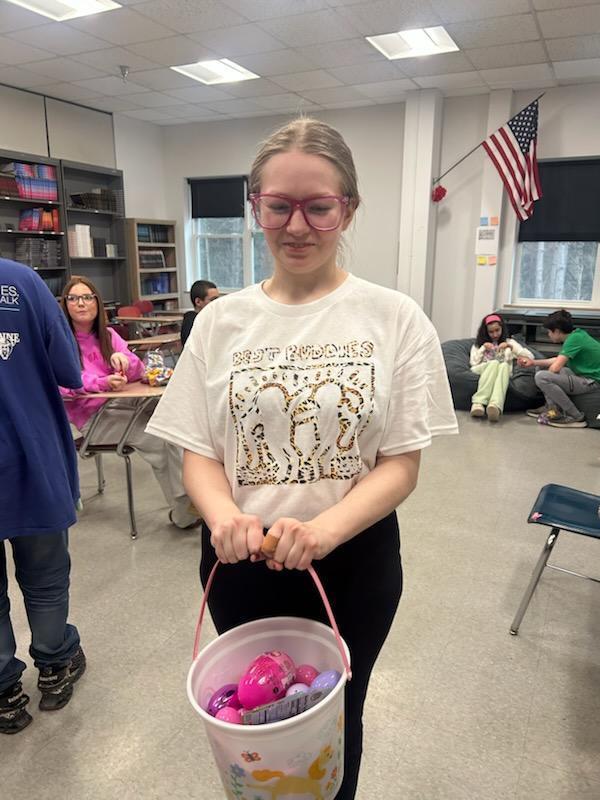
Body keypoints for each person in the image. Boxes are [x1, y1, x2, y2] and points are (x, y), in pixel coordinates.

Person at [146, 117, 458, 799]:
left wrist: (323, 531)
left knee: (336, 717)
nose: (297, 225)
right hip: (241, 565)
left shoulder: (394, 318)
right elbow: (198, 449)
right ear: (254, 204)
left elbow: (401, 463)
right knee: (255, 727)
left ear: (348, 208)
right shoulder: (220, 322)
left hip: (353, 565)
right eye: (277, 205)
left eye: (319, 206)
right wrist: (223, 512)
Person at [0, 259, 86, 735]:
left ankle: (3, 692)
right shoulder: (21, 281)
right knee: (46, 574)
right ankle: (55, 666)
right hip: (29, 453)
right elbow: (68, 370)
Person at [59, 276, 200, 529]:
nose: (81, 303)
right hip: (94, 419)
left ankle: (191, 501)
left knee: (174, 426)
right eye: (73, 298)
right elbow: (62, 384)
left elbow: (136, 371)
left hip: (123, 406)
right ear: (65, 304)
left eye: (87, 297)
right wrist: (102, 382)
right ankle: (186, 509)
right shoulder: (60, 340)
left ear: (97, 303)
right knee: (157, 439)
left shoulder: (109, 335)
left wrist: (124, 360)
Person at [519, 309, 599, 428]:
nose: (548, 335)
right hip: (584, 378)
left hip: (592, 382)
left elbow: (555, 368)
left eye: (549, 332)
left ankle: (576, 417)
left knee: (542, 377)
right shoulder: (576, 335)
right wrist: (533, 362)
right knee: (541, 369)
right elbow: (558, 360)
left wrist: (545, 380)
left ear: (556, 331)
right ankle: (552, 408)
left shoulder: (574, 339)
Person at [469, 313, 533, 421]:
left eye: (497, 330)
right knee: (494, 363)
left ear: (502, 329)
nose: (495, 334)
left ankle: (495, 406)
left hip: (502, 370)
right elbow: (473, 363)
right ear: (485, 332)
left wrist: (510, 347)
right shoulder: (479, 344)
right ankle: (478, 403)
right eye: (491, 332)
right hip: (482, 369)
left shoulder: (509, 342)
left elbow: (530, 356)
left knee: (503, 365)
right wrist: (483, 348)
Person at [180, 279, 219, 346]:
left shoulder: (214, 318)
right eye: (213, 300)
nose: (218, 303)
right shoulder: (192, 323)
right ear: (198, 302)